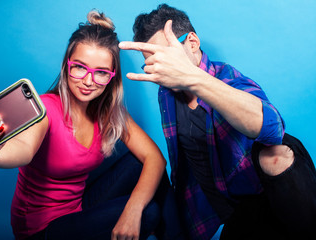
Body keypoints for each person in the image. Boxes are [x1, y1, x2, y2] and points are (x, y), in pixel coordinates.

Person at [0, 10, 167, 240]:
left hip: (76, 208)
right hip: (42, 230)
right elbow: (24, 149)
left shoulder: (109, 113)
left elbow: (155, 157)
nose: (88, 81)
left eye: (101, 73)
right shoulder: (46, 109)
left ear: (112, 77)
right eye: (80, 67)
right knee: (150, 212)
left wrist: (132, 209)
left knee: (141, 169)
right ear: (67, 66)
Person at [119, 4, 316, 240]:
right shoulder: (167, 93)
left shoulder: (225, 77)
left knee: (277, 152)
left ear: (192, 42)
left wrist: (194, 79)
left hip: (275, 195)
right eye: (153, 63)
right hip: (236, 210)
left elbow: (272, 128)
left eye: (167, 57)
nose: (161, 69)